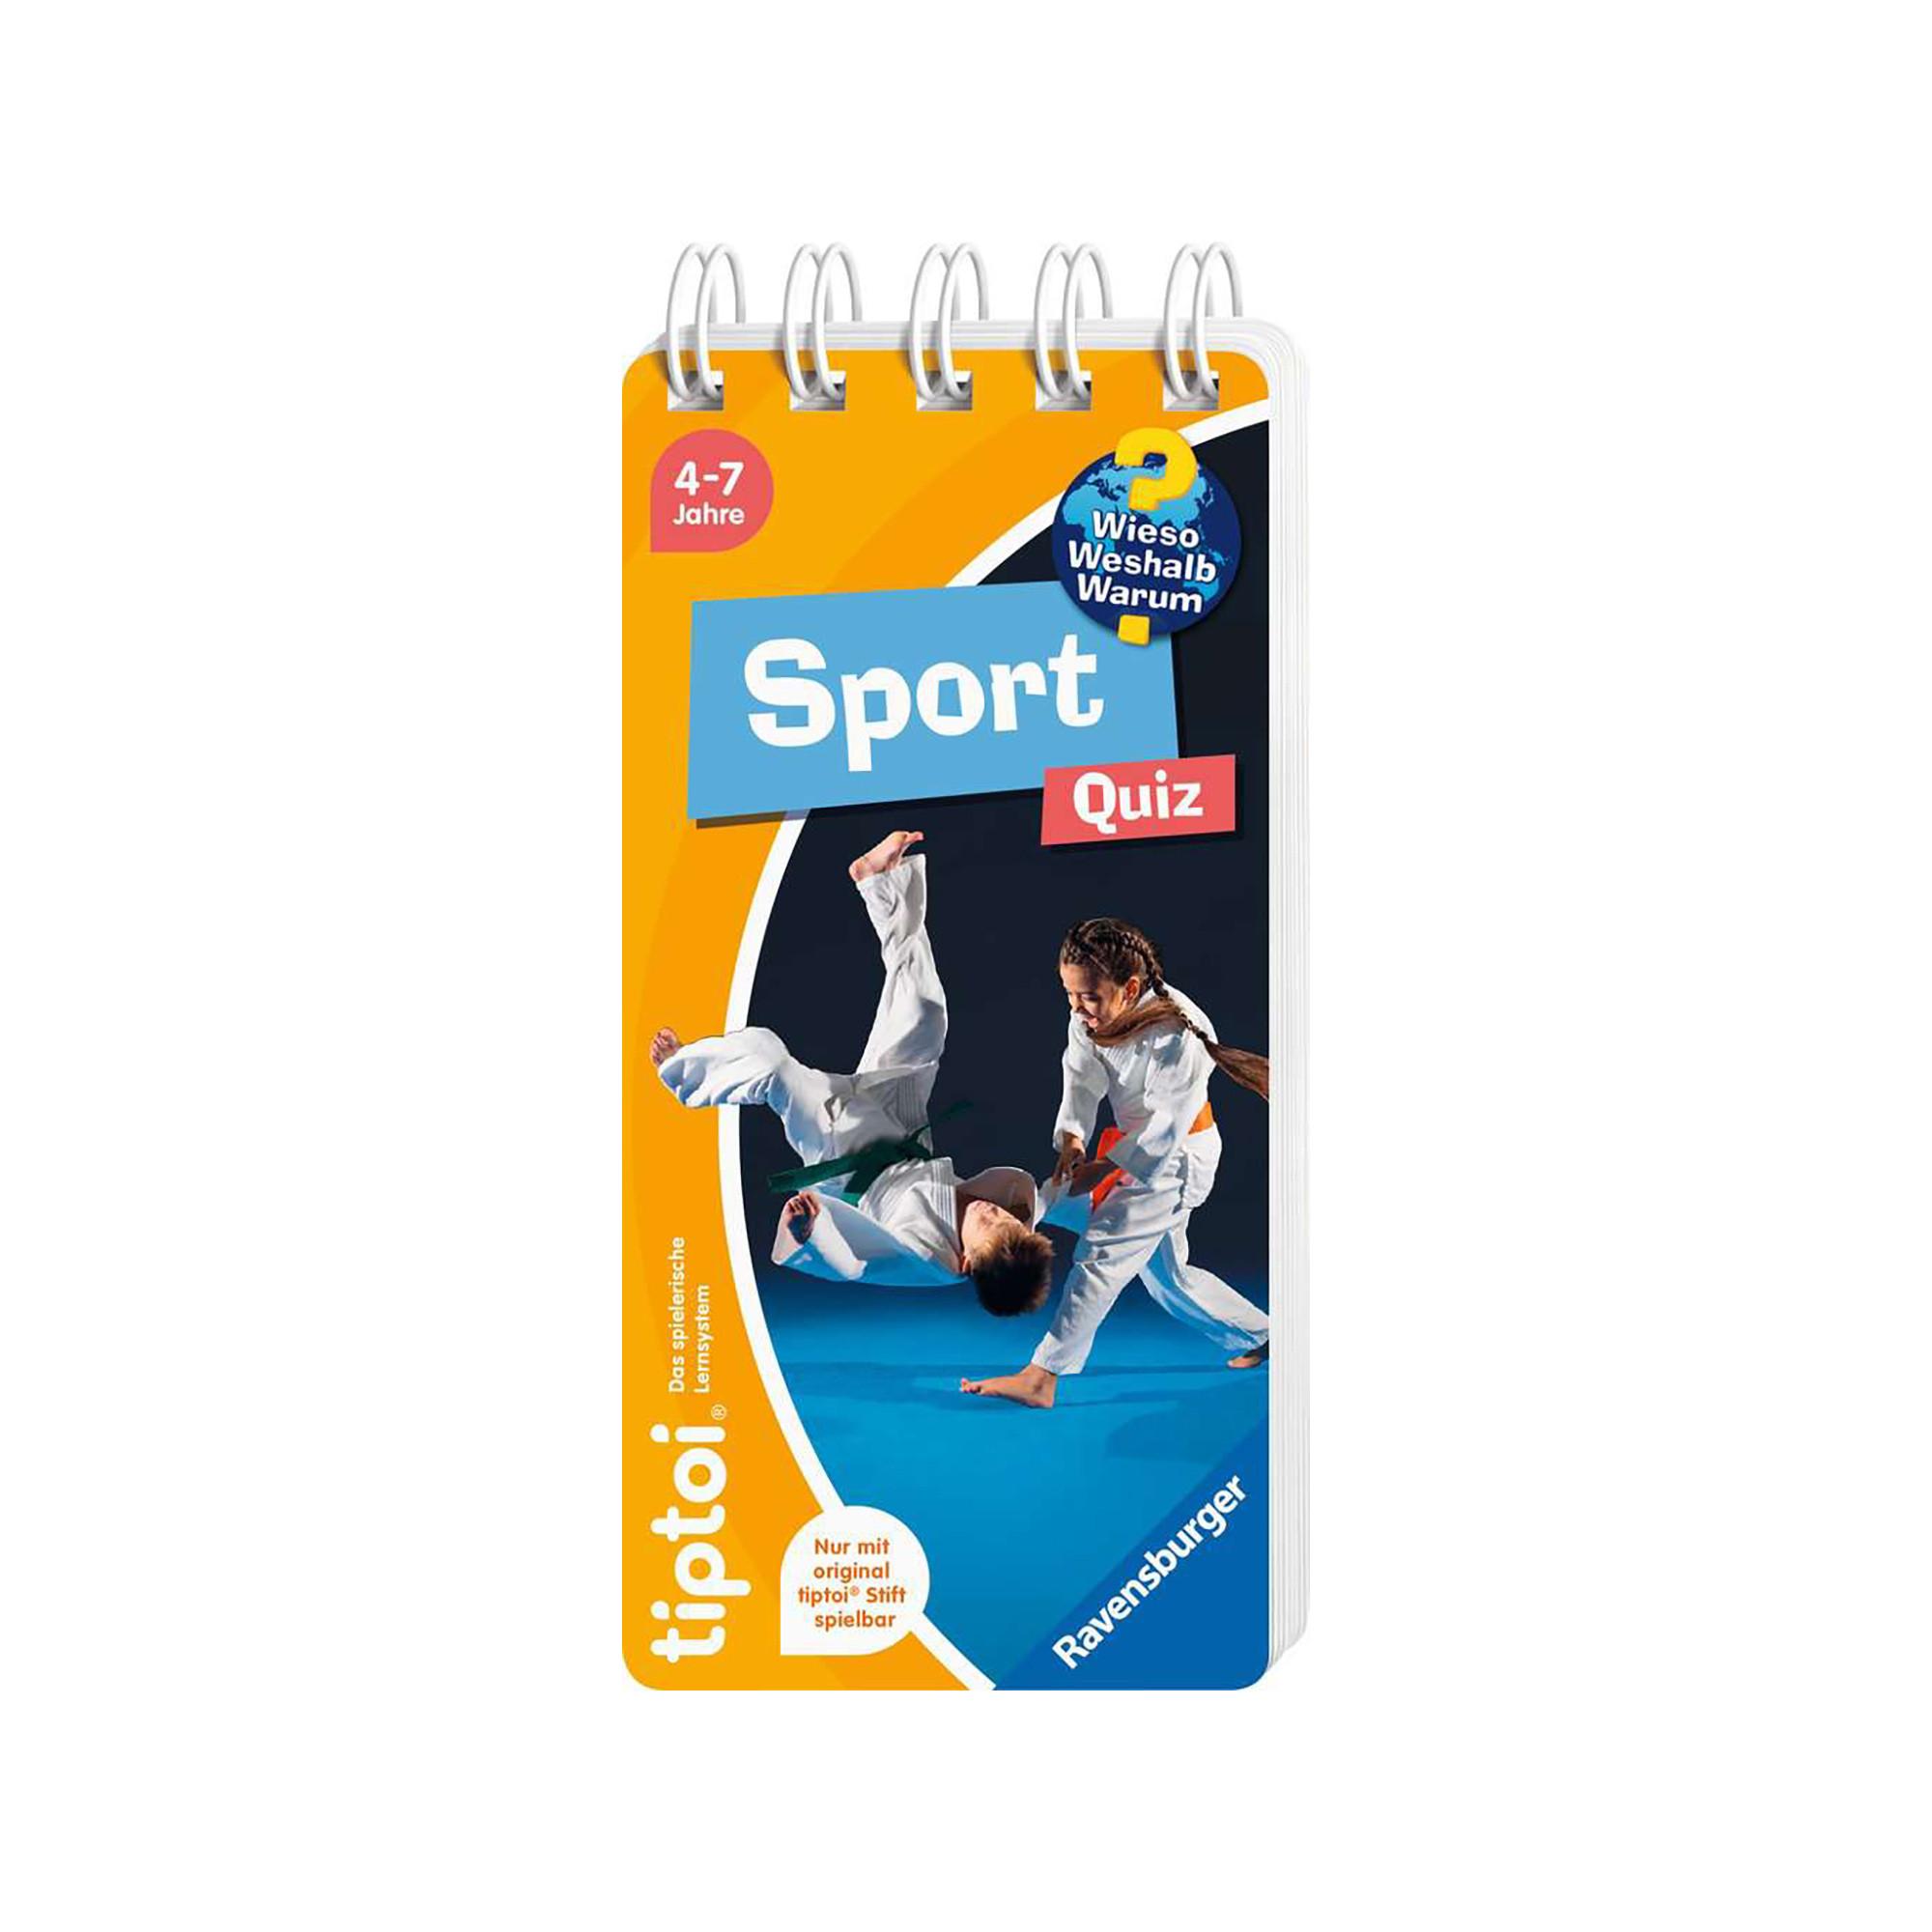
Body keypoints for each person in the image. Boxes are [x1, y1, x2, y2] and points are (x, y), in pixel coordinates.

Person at [651, 830, 1054, 1314]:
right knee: (924, 1011)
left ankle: (681, 1070)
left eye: (991, 1227)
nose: (995, 1214)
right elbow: (1058, 1198)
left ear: (966, 1261)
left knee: (771, 1062)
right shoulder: (1015, 1220)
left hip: (845, 1153)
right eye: (1008, 1221)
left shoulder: (928, 1258)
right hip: (900, 1125)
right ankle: (879, 880)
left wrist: (813, 1231)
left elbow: (855, 1265)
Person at [961, 915, 1269, 1406]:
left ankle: (1043, 1375)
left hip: (1176, 1158)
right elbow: (1081, 1079)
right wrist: (1073, 1140)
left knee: (1103, 1254)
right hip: (1127, 1151)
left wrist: (1106, 1167)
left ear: (1128, 988)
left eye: (1088, 996)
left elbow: (1166, 1124)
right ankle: (1263, 1333)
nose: (1077, 1007)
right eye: (1069, 994)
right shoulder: (1088, 1016)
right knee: (1167, 1275)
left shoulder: (1178, 1033)